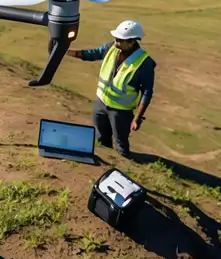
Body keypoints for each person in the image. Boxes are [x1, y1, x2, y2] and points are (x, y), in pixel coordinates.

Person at [66, 20, 156, 158]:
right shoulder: (111, 48)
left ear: (132, 42)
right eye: (115, 38)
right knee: (100, 140)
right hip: (100, 104)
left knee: (121, 145)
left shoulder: (144, 63)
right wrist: (66, 52)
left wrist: (137, 118)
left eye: (120, 40)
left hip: (121, 112)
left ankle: (124, 167)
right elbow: (93, 54)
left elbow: (147, 92)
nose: (116, 42)